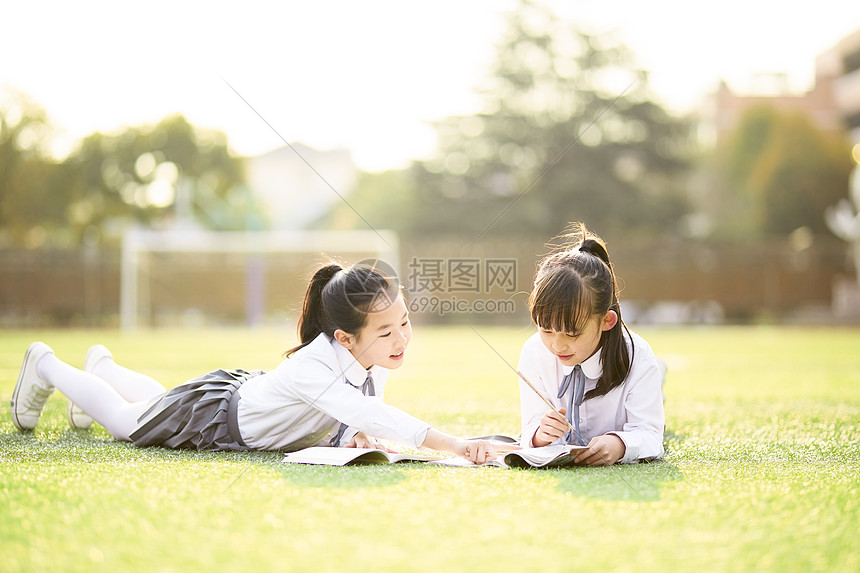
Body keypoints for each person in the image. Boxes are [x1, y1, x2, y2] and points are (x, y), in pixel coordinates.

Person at [11, 262, 497, 464]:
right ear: (346, 338)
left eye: (404, 323)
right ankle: (47, 365)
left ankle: (102, 369)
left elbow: (357, 415)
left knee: (152, 402)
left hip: (240, 395)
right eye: (387, 332)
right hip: (219, 414)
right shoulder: (313, 366)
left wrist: (351, 437)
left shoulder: (370, 361)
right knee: (123, 423)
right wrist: (454, 444)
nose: (401, 340)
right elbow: (372, 414)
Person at [517, 223, 664, 465]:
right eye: (546, 329)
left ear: (607, 320)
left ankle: (661, 373)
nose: (557, 346)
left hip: (643, 370)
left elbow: (650, 434)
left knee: (653, 384)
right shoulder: (534, 352)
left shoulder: (636, 355)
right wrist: (540, 435)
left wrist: (620, 444)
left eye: (572, 334)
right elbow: (530, 427)